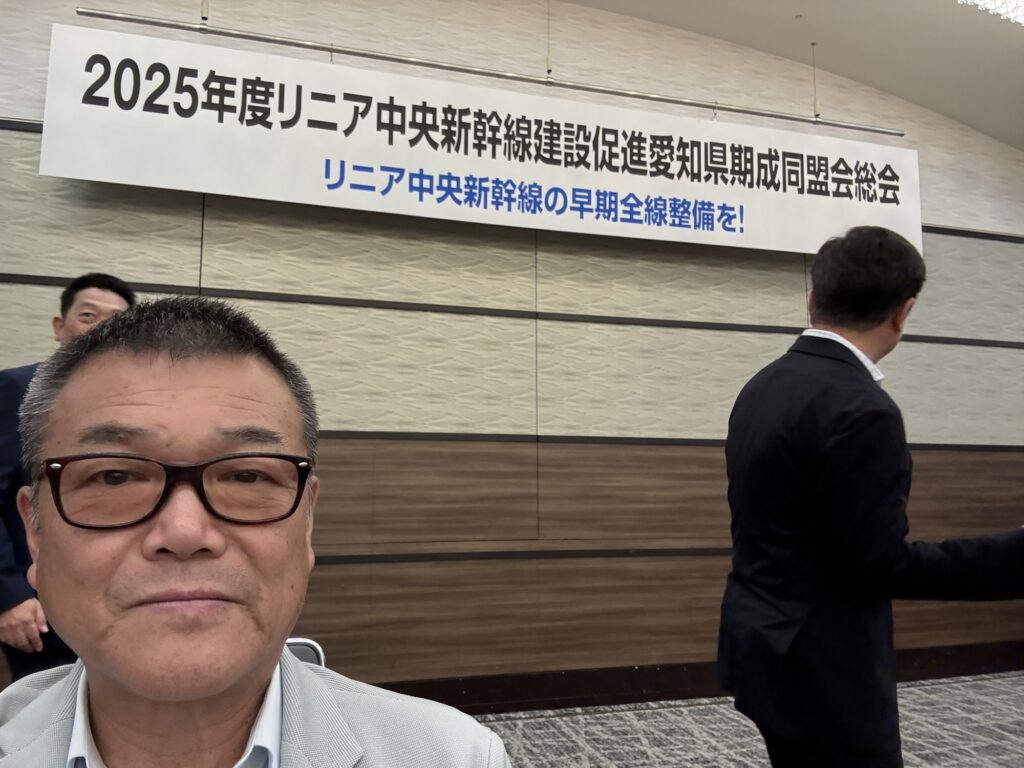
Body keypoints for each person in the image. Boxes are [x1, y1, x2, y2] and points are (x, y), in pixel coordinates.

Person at [0, 296, 511, 768]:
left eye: (247, 476)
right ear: (34, 533)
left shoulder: (455, 756)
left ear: (307, 524)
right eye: (115, 477)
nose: (184, 531)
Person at [717, 226, 1024, 767]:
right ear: (904, 312)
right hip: (823, 665)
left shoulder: (762, 385)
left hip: (762, 642)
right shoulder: (863, 410)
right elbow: (879, 565)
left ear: (813, 299)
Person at [0, 273, 136, 681]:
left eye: (116, 321)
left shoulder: (140, 401)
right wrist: (9, 596)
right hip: (39, 600)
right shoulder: (17, 388)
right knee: (49, 706)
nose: (101, 329)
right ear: (60, 326)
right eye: (88, 316)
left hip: (122, 593)